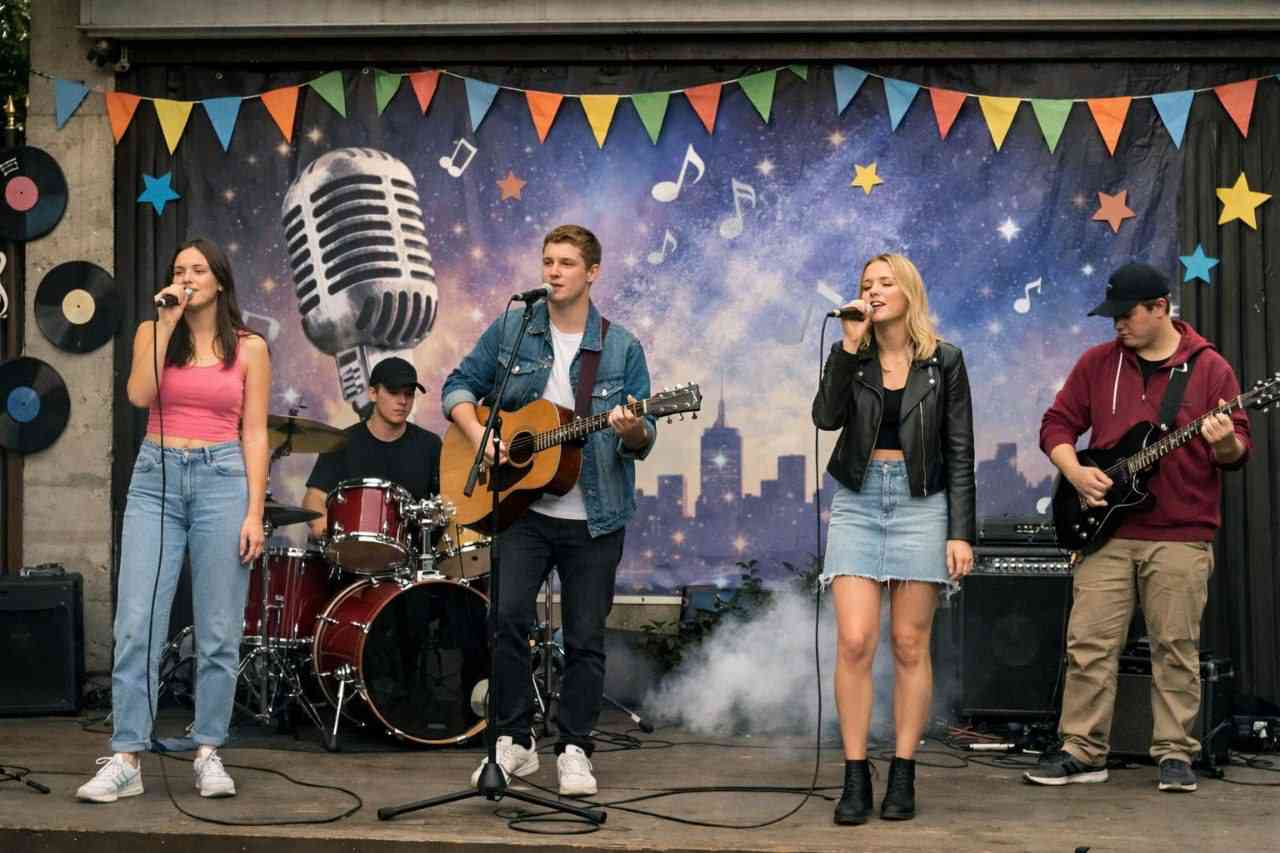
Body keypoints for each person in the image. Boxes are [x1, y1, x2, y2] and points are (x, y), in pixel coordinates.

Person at [441, 224, 656, 796]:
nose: (553, 272)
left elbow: (645, 438)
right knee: (506, 618)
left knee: (584, 636)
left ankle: (575, 748)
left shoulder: (621, 347)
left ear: (592, 272)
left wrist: (633, 430)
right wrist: (481, 435)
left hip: (595, 516)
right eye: (548, 261)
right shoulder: (515, 328)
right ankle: (514, 741)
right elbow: (458, 386)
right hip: (523, 512)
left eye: (566, 263)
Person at [1026, 261, 1251, 793]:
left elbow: (1236, 451)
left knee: (1175, 647)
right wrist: (1075, 472)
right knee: (1088, 645)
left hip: (1180, 533)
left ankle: (1176, 754)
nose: (1118, 325)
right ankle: (1082, 750)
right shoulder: (1098, 363)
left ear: (1160, 308)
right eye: (1113, 316)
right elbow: (1056, 424)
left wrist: (1223, 441)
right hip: (1106, 531)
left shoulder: (1210, 369)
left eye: (1126, 315)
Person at [77, 238, 270, 802]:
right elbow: (139, 395)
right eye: (179, 269)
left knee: (218, 629)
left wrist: (255, 512)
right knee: (137, 623)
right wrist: (165, 323)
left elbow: (255, 433)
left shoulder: (249, 347)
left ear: (219, 280)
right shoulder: (152, 331)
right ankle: (127, 757)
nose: (187, 277)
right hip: (156, 478)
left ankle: (208, 750)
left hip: (222, 479)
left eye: (198, 269)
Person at [811, 253, 975, 825]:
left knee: (909, 643)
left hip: (921, 501)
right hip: (859, 500)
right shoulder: (852, 356)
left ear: (908, 292)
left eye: (885, 283)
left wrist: (960, 531)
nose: (874, 292)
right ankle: (855, 773)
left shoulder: (944, 360)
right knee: (856, 641)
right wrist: (847, 345)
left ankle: (903, 770)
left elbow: (959, 450)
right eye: (866, 285)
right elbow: (826, 417)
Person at [302, 356, 442, 542]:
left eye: (408, 394)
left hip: (411, 554)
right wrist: (323, 527)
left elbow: (446, 503)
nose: (402, 401)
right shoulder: (340, 442)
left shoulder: (431, 445)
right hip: (350, 551)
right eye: (393, 392)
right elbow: (314, 496)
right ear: (372, 393)